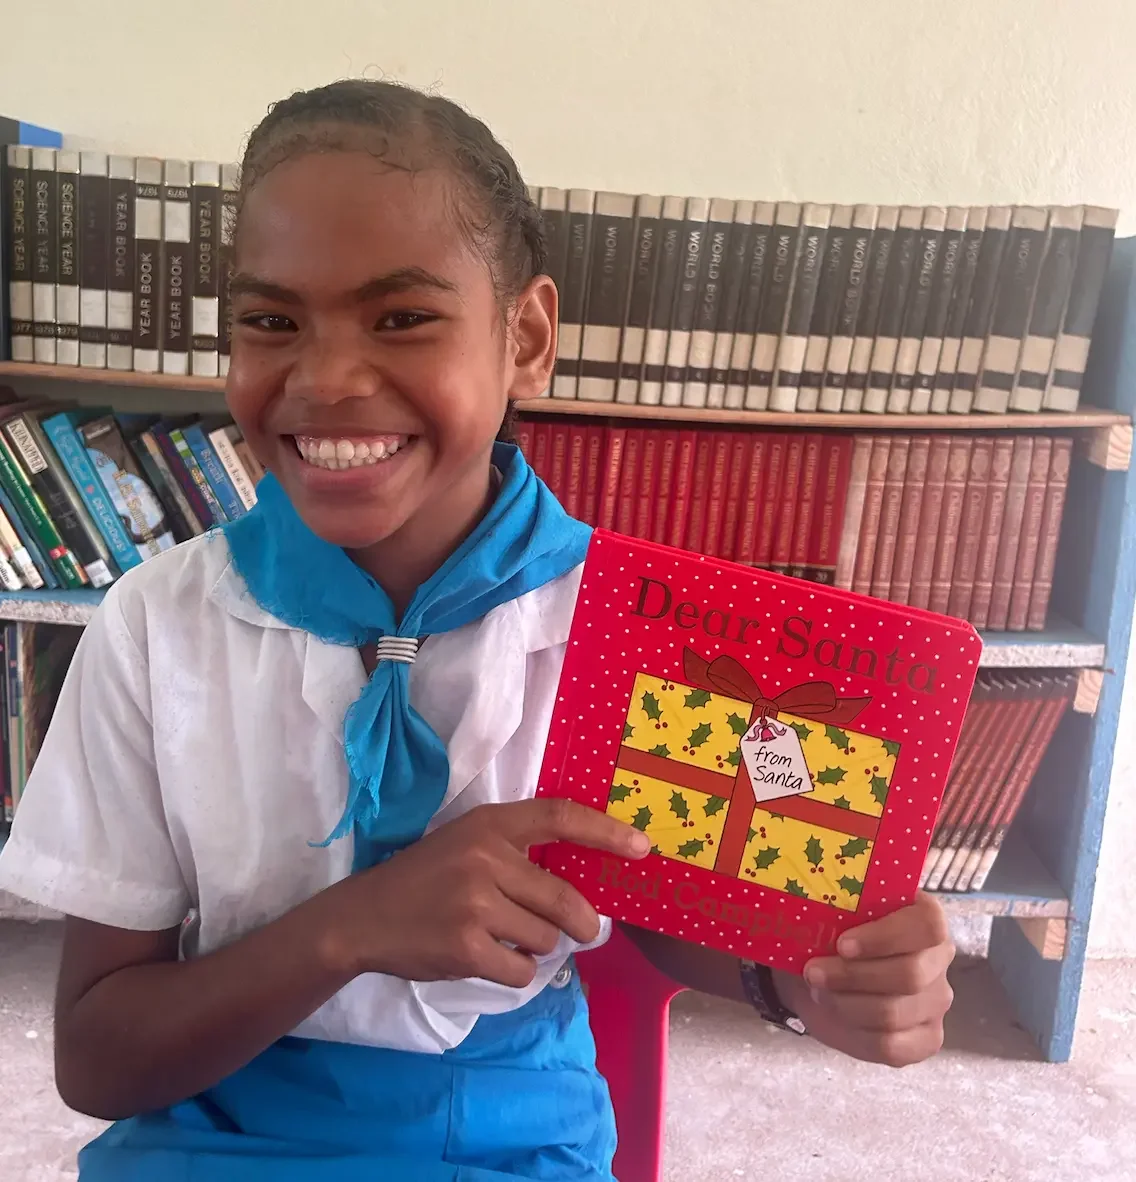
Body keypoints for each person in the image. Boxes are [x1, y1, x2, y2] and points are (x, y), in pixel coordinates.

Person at [0, 80, 955, 1181]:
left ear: (526, 336)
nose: (326, 378)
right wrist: (351, 926)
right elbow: (98, 1063)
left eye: (401, 318)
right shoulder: (157, 627)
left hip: (510, 1135)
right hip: (209, 1127)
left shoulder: (648, 629)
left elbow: (647, 901)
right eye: (271, 322)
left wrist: (805, 981)